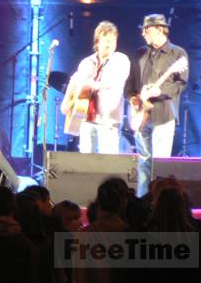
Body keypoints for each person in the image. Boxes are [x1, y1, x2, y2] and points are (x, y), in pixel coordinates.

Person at [125, 13, 188, 197]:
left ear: (160, 29)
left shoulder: (177, 54)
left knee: (160, 163)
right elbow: (131, 82)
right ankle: (142, 201)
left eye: (147, 29)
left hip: (163, 115)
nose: (143, 33)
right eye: (143, 29)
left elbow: (181, 84)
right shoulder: (140, 53)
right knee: (143, 162)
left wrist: (160, 91)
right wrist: (132, 98)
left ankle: (159, 202)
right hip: (141, 116)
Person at [61, 21, 130, 154]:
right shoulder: (87, 62)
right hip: (86, 116)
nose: (110, 44)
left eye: (113, 41)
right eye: (107, 41)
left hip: (109, 119)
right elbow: (74, 81)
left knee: (108, 158)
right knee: (86, 158)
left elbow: (115, 82)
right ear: (97, 42)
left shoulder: (121, 60)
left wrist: (92, 84)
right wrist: (66, 101)